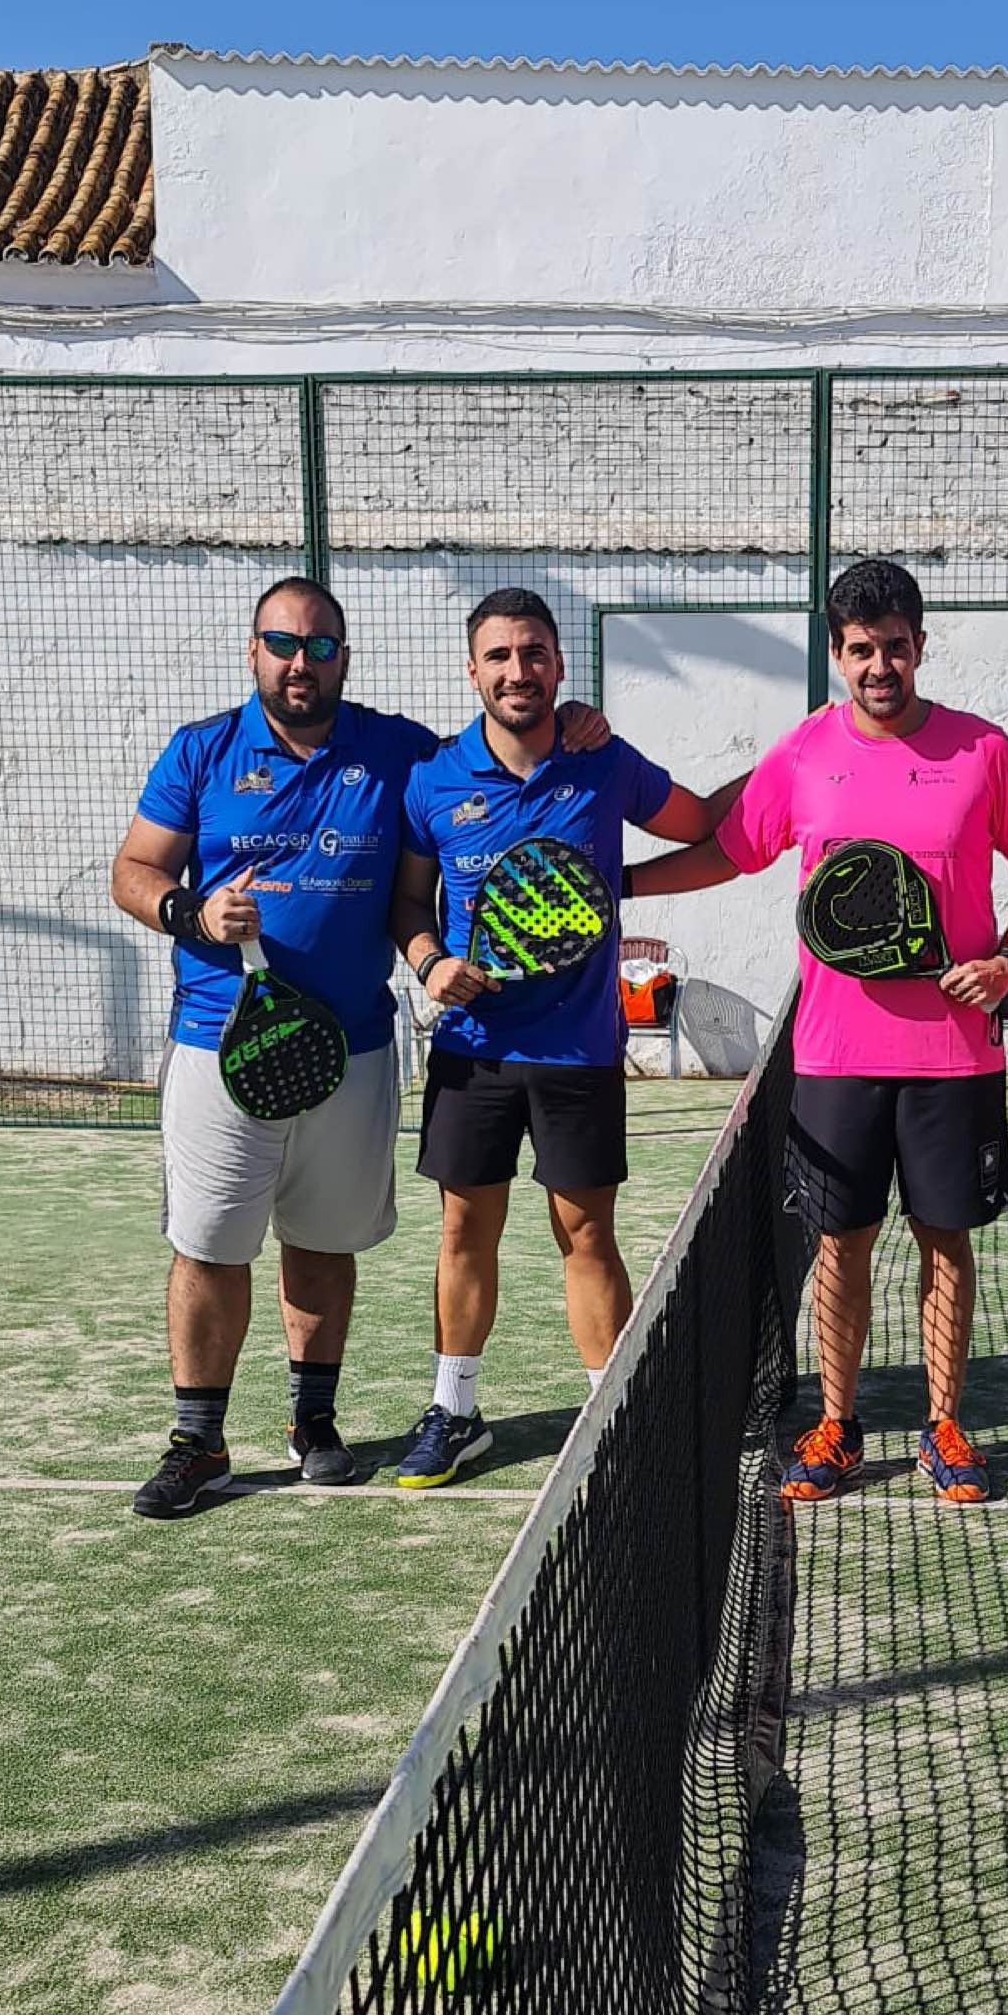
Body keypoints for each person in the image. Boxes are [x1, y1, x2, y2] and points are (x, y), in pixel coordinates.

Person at [110, 576, 605, 1520]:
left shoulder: (396, 751)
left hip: (355, 1049)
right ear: (254, 652)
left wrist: (571, 720)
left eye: (321, 646)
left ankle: (315, 1423)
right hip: (221, 1041)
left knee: (323, 1239)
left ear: (344, 656)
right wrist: (190, 911)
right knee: (210, 1246)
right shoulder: (201, 750)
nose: (301, 662)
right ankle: (198, 1441)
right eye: (283, 644)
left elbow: (494, 750)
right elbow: (133, 869)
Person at [622, 556, 1008, 1506]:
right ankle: (838, 1425)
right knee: (840, 1245)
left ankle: (945, 1425)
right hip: (834, 1058)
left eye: (895, 647)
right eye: (861, 649)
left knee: (945, 1242)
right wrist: (620, 883)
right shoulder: (804, 753)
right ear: (837, 652)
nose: (879, 666)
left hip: (954, 1057)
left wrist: (1007, 961)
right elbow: (729, 854)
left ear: (920, 646)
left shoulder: (984, 752)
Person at [386, 588, 744, 1487]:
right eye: (500, 656)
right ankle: (455, 1412)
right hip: (472, 1050)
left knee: (587, 1235)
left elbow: (703, 823)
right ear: (473, 670)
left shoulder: (602, 760)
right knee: (464, 1230)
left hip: (578, 1053)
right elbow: (408, 901)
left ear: (558, 664)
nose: (518, 671)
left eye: (534, 653)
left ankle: (613, 1415)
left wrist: (804, 755)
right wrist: (429, 961)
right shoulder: (433, 779)